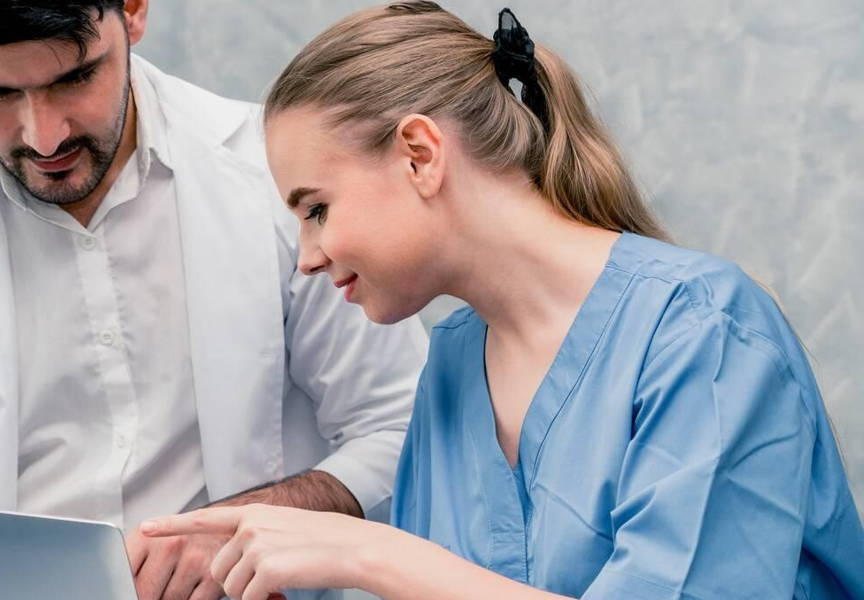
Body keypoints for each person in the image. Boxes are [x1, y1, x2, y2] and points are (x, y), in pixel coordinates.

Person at [141, 3, 864, 599]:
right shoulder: (454, 365)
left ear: (420, 155)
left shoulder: (703, 332)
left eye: (317, 208)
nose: (307, 256)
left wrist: (366, 554)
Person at [0, 1, 428, 599]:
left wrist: (251, 526)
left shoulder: (278, 180)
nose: (44, 137)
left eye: (75, 76)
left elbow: (401, 427)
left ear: (132, 9)